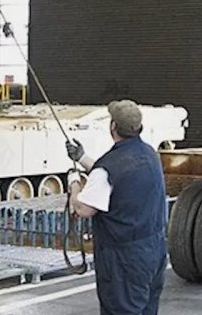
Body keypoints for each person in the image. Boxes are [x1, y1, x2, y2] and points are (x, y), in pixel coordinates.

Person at [66, 100, 166, 315]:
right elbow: (119, 175)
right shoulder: (149, 154)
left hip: (124, 259)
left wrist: (73, 182)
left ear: (113, 127)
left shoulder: (108, 167)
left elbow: (83, 208)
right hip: (153, 250)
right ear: (139, 128)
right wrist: (82, 158)